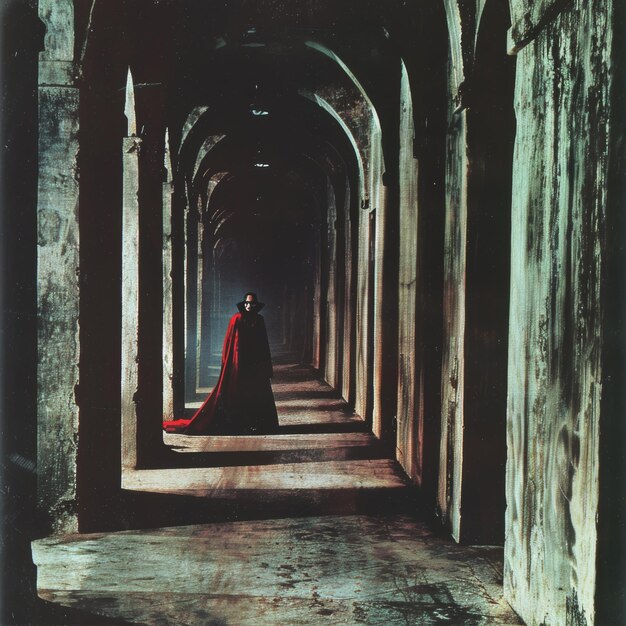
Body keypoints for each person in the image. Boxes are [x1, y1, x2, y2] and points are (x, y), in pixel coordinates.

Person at [163, 292, 279, 435]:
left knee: (256, 394)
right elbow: (229, 345)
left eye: (252, 303)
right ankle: (240, 425)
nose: (249, 306)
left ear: (255, 305)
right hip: (240, 364)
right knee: (239, 394)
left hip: (254, 365)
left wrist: (265, 367)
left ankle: (256, 424)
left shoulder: (259, 320)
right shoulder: (236, 319)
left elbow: (263, 345)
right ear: (244, 304)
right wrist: (230, 365)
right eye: (247, 303)